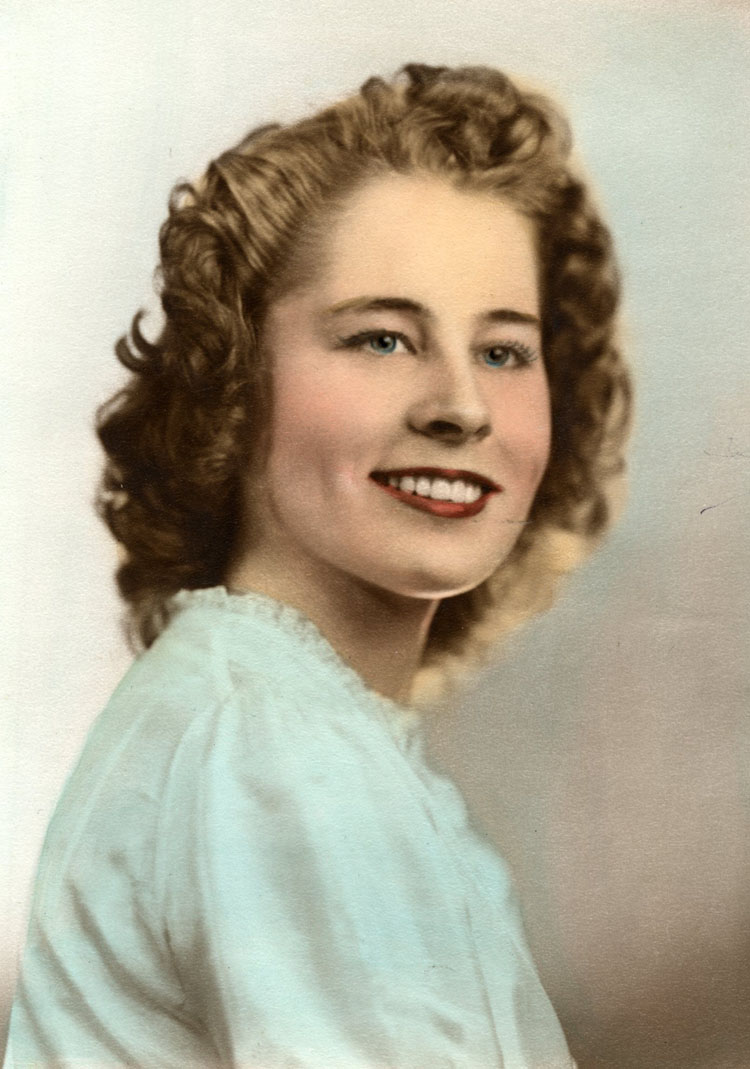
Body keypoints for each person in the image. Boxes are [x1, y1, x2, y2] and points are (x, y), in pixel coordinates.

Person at [4, 63, 630, 1068]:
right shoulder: (268, 743)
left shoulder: (270, 715)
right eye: (383, 339)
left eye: (504, 352)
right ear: (234, 380)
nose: (462, 406)